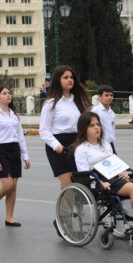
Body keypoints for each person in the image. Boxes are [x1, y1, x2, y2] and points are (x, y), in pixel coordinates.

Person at [73, 111, 133, 237]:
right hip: (101, 180)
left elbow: (113, 162)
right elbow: (84, 174)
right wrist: (100, 183)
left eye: (98, 124)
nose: (96, 127)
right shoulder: (81, 149)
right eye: (92, 125)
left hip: (114, 176)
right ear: (84, 129)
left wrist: (121, 171)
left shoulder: (105, 144)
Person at [40, 65, 91, 236]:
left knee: (79, 183)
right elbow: (44, 130)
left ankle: (71, 214)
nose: (70, 80)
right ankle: (63, 219)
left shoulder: (77, 101)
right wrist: (57, 146)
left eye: (71, 77)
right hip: (58, 145)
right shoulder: (51, 103)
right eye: (65, 77)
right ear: (58, 81)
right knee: (68, 183)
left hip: (76, 143)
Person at [0, 86, 31, 227]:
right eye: (4, 93)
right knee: (7, 184)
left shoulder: (14, 115)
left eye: (9, 93)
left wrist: (25, 156)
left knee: (13, 187)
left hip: (14, 150)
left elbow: (20, 137)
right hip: (2, 151)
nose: (8, 95)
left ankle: (9, 217)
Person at [91, 85, 117, 153]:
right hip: (99, 145)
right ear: (99, 96)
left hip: (110, 145)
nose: (109, 97)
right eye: (106, 95)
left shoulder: (112, 113)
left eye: (111, 95)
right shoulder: (95, 112)